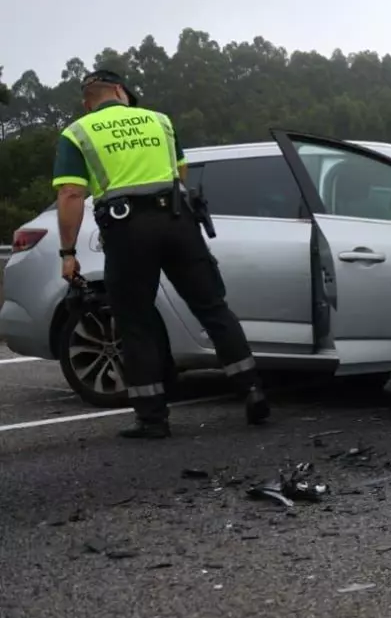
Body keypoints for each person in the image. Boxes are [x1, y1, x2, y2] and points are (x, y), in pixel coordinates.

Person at [52, 69, 270, 439]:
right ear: (119, 91)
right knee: (212, 308)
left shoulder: (78, 132)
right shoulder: (160, 121)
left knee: (135, 322)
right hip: (177, 222)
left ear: (88, 103)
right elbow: (180, 175)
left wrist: (68, 253)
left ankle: (152, 418)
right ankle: (252, 390)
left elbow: (71, 194)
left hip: (127, 231)